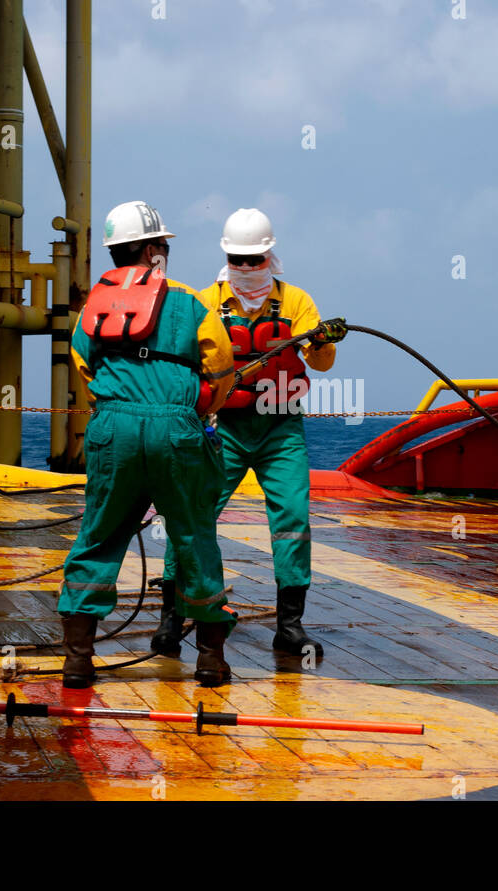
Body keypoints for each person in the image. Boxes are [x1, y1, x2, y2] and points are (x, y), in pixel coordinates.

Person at [152, 208, 346, 662]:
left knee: (293, 520)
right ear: (226, 256)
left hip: (281, 428)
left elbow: (322, 364)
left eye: (254, 260)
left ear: (269, 256)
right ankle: (170, 619)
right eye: (237, 259)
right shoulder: (203, 302)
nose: (245, 268)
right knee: (193, 515)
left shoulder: (296, 302)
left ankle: (290, 627)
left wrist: (321, 340)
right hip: (224, 429)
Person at [60, 200, 237, 688]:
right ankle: (209, 660)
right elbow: (220, 366)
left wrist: (120, 401)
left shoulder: (95, 301)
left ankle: (77, 660)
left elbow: (83, 364)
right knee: (195, 537)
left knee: (98, 536)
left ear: (116, 252)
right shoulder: (189, 300)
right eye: (163, 244)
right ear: (156, 249)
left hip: (112, 427)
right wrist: (197, 407)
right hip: (177, 431)